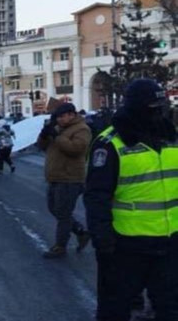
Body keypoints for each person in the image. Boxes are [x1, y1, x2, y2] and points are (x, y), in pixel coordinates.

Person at [85, 78, 178, 321]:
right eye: (153, 107)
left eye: (162, 106)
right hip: (126, 246)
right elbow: (97, 196)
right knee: (115, 309)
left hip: (170, 243)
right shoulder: (110, 143)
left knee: (170, 307)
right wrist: (103, 241)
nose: (159, 112)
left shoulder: (171, 137)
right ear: (137, 107)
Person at [36, 102, 91, 258]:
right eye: (57, 117)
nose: (59, 119)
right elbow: (42, 147)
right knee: (55, 209)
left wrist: (57, 137)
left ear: (71, 115)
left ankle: (60, 246)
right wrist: (44, 135)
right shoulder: (59, 128)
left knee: (63, 213)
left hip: (70, 178)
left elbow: (76, 149)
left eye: (62, 116)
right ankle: (81, 232)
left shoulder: (82, 129)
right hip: (55, 176)